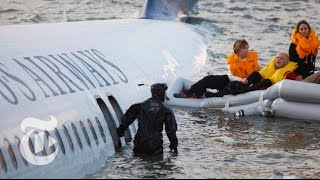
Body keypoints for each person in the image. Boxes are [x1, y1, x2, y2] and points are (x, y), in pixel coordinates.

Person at [174, 39, 260, 98]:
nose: (246, 50)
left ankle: (209, 95)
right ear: (237, 50)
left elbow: (259, 71)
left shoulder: (252, 58)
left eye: (247, 48)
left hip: (239, 85)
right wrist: (241, 79)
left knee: (231, 86)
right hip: (232, 79)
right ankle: (191, 93)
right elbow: (230, 76)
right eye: (244, 48)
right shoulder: (232, 60)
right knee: (208, 79)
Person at [117, 83, 178, 155]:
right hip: (155, 145)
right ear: (161, 93)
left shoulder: (138, 105)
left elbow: (125, 121)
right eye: (165, 92)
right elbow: (171, 130)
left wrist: (120, 132)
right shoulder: (166, 109)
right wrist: (174, 144)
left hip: (139, 143)